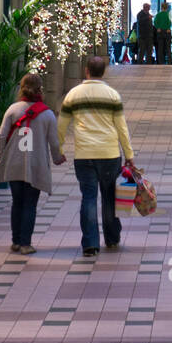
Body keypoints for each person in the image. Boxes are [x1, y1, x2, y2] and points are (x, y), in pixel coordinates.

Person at [57, 54, 137, 257]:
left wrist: (58, 149)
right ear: (103, 72)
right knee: (109, 197)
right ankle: (111, 238)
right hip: (109, 154)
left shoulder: (73, 95)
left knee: (89, 197)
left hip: (84, 155)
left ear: (86, 71)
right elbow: (122, 127)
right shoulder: (112, 95)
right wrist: (129, 154)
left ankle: (90, 244)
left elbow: (61, 126)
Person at [0, 73, 66, 254]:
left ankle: (16, 241)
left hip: (14, 163)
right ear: (40, 89)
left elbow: (1, 136)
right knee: (30, 204)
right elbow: (54, 142)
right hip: (35, 163)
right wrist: (57, 158)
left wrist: (1, 155)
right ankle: (26, 243)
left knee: (17, 202)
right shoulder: (48, 114)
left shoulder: (12, 109)